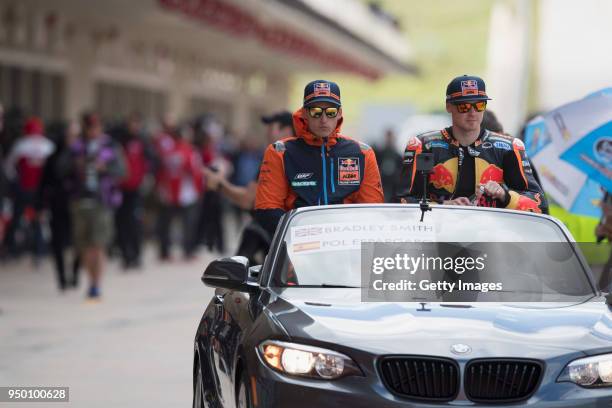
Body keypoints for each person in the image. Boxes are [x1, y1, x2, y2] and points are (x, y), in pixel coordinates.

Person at [395, 75, 547, 214]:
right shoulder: (425, 146)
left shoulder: (508, 148)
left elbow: (539, 205)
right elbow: (401, 201)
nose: (472, 112)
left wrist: (504, 195)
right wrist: (443, 205)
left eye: (479, 105)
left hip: (492, 237)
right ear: (449, 106)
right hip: (439, 234)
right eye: (464, 106)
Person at [254, 80, 384, 237]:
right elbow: (267, 209)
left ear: (339, 113)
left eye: (330, 112)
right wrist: (306, 237)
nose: (323, 119)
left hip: (348, 247)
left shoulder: (362, 153)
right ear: (304, 113)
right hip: (295, 248)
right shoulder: (280, 152)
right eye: (316, 111)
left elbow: (372, 211)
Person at [205, 111, 294, 264]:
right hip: (296, 236)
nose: (267, 131)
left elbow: (248, 199)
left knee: (239, 274)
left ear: (286, 130)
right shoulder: (306, 155)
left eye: (272, 126)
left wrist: (219, 184)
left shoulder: (275, 156)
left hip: (271, 234)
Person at [69, 112, 126, 300]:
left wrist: (105, 168)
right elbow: (60, 170)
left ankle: (96, 285)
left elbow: (122, 170)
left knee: (99, 244)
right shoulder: (76, 147)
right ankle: (91, 280)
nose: (93, 130)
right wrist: (75, 164)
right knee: (84, 245)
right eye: (89, 126)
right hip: (80, 200)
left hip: (102, 201)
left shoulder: (110, 146)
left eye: (96, 126)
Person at [37, 120, 81, 291]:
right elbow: (44, 182)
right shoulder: (55, 156)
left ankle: (75, 272)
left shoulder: (85, 155)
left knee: (79, 242)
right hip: (58, 204)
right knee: (58, 242)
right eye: (70, 136)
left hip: (78, 204)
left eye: (76, 136)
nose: (73, 139)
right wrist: (40, 206)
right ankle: (62, 277)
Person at [3, 117, 55, 261]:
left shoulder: (21, 145)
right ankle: (39, 251)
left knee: (18, 219)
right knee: (38, 220)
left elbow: (8, 167)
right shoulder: (48, 146)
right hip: (39, 190)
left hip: (25, 189)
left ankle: (12, 250)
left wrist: (14, 181)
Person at [374, 128, 402, 202]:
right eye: (388, 137)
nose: (389, 140)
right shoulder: (379, 153)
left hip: (393, 185)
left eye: (390, 137)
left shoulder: (397, 155)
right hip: (381, 182)